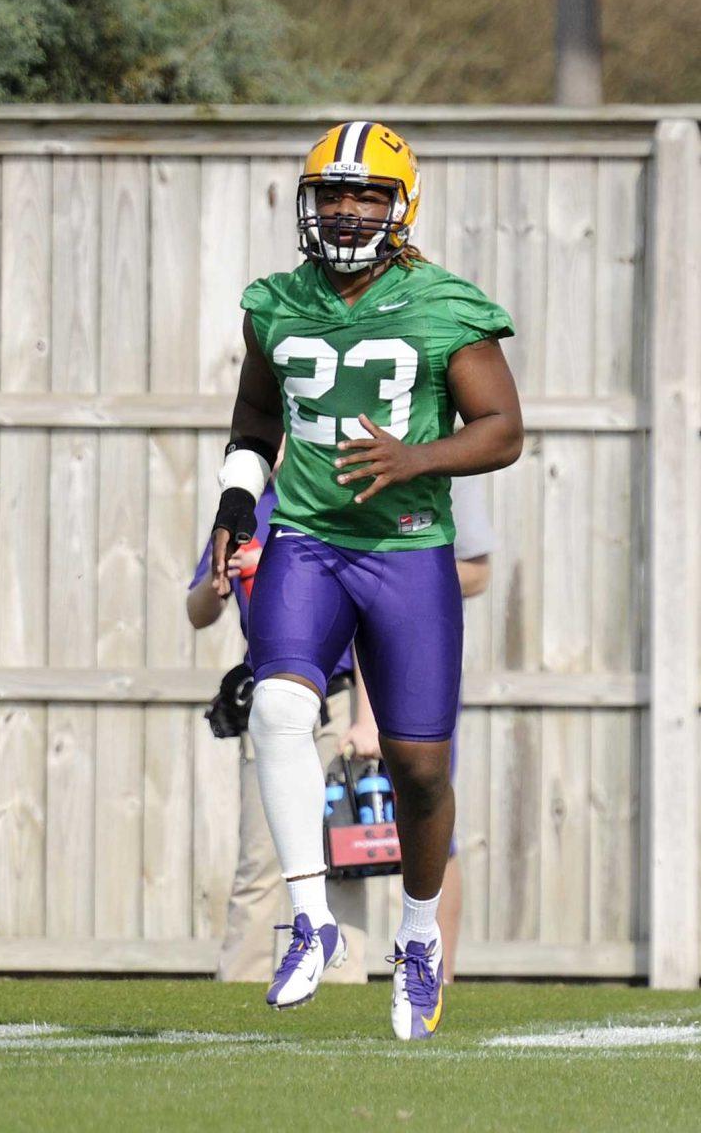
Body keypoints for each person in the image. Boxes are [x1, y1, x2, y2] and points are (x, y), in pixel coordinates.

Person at [209, 121, 523, 1039]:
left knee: (418, 769)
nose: (348, 210)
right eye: (334, 194)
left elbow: (502, 427)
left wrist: (416, 457)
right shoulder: (274, 303)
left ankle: (416, 937)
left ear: (401, 205)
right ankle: (310, 923)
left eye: (368, 195)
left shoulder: (444, 305)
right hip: (307, 541)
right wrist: (236, 503)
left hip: (407, 551)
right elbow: (257, 415)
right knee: (275, 711)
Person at [187, 480, 363, 984]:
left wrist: (367, 720)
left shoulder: (339, 497)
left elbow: (367, 613)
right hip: (268, 700)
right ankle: (240, 983)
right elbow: (197, 611)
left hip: (335, 700)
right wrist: (217, 580)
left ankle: (345, 986)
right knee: (260, 860)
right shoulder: (250, 510)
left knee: (342, 856)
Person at [340, 472, 494, 983]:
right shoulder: (325, 436)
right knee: (334, 828)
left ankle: (434, 972)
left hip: (418, 654)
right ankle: (334, 964)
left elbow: (477, 573)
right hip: (336, 669)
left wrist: (405, 572)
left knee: (429, 808)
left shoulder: (447, 454)